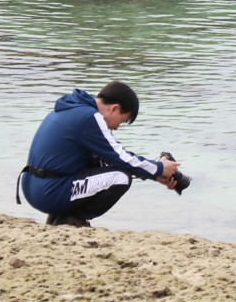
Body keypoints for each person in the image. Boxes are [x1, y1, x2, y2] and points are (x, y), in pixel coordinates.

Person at [17, 81, 182, 226]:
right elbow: (121, 157)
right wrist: (159, 168)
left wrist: (155, 174)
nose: (117, 127)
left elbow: (108, 162)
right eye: (122, 121)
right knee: (121, 178)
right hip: (49, 193)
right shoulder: (91, 117)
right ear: (114, 109)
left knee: (104, 167)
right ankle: (70, 219)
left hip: (33, 187)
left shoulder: (72, 108)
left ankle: (60, 215)